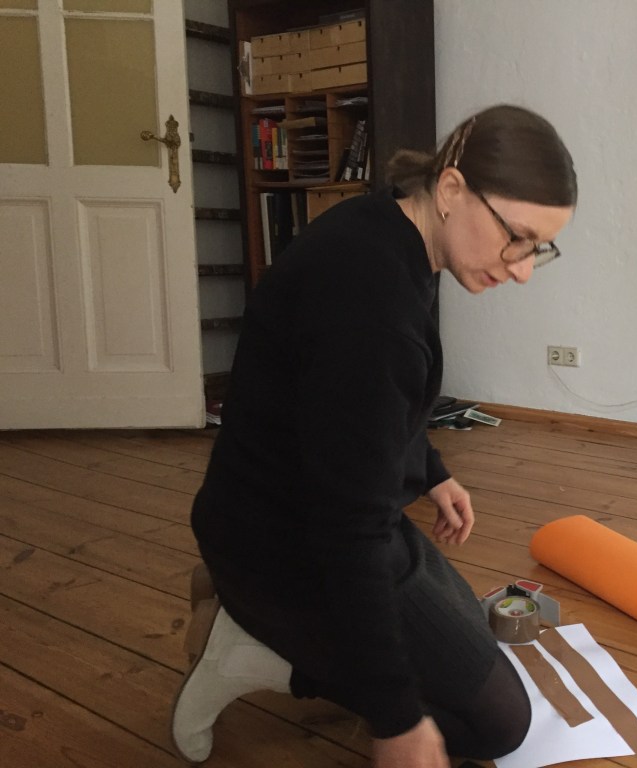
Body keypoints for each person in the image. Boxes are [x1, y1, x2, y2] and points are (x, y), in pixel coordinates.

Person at [171, 104, 577, 767]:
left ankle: (269, 624)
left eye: (540, 248)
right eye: (518, 238)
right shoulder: (372, 306)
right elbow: (346, 530)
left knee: (474, 641)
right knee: (499, 723)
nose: (523, 268)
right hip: (284, 546)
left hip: (292, 506)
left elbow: (358, 408)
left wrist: (432, 469)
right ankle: (249, 651)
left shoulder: (388, 229)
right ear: (451, 190)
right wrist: (395, 718)